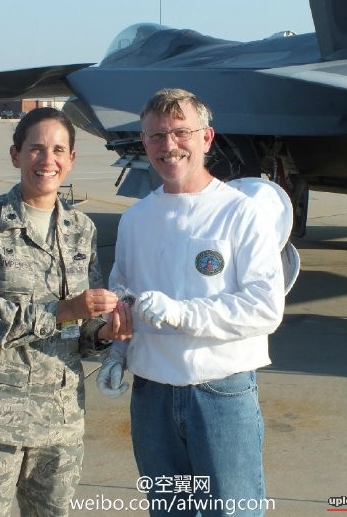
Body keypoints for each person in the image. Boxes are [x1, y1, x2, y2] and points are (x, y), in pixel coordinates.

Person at [98, 89, 290, 516]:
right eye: (156, 136)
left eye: (181, 132)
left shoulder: (241, 213)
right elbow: (123, 297)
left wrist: (182, 313)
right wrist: (116, 351)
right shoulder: (135, 220)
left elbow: (264, 307)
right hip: (151, 396)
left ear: (206, 137)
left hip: (219, 392)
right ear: (144, 142)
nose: (169, 145)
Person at [0, 107, 132, 516]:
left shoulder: (81, 230)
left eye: (58, 150)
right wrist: (65, 309)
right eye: (36, 149)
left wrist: (102, 333)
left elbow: (79, 332)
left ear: (71, 159)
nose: (47, 160)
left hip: (59, 424)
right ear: (16, 155)